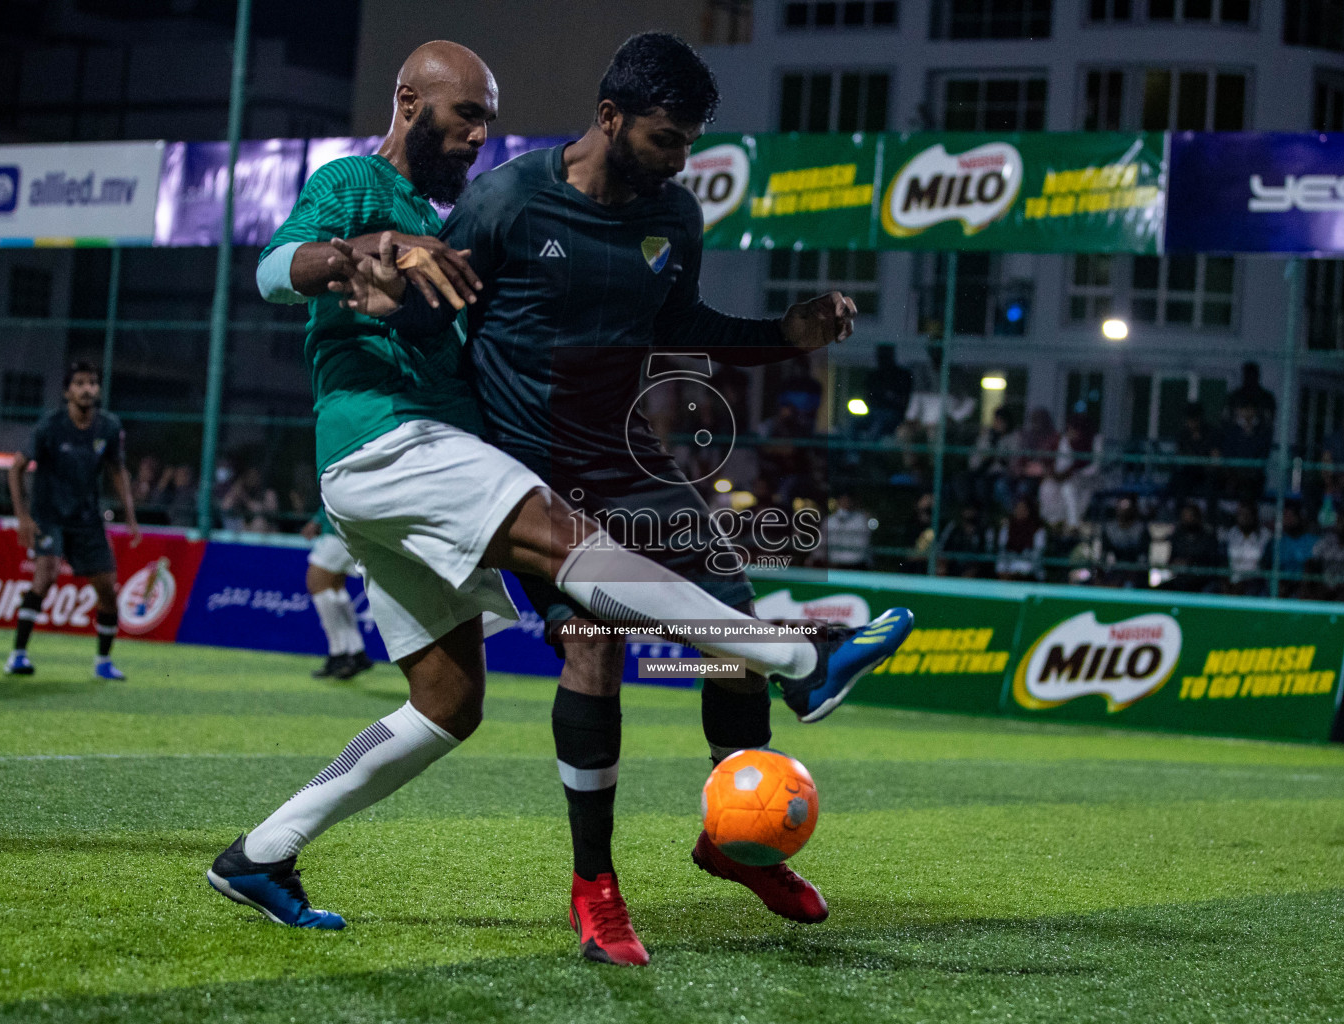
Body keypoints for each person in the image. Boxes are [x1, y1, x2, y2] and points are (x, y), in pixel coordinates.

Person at [216, 39, 913, 959]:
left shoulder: (453, 214)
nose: (478, 137)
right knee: (573, 555)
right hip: (390, 439)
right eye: (465, 116)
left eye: (487, 123)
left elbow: (466, 319)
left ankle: (261, 854)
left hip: (436, 456)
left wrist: (779, 338)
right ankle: (803, 658)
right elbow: (272, 268)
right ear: (408, 101)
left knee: (448, 701)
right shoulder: (358, 184)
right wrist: (355, 255)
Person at [4, 362, 140, 679]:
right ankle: (17, 655)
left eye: (92, 383)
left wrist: (131, 516)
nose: (86, 389)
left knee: (107, 589)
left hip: (87, 519)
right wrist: (22, 517)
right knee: (46, 575)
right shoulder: (50, 427)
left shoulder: (108, 427)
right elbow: (15, 469)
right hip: (48, 515)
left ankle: (103, 663)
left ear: (98, 390)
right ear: (67, 392)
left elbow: (117, 471)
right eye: (79, 383)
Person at [301, 508, 371, 680]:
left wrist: (318, 518)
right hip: (353, 532)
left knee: (318, 584)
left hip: (337, 531)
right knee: (336, 588)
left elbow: (333, 485)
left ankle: (338, 654)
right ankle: (356, 652)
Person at [1039, 412, 1102, 531]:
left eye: (1075, 429)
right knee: (1047, 487)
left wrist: (1072, 472)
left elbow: (1093, 468)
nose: (1073, 432)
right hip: (1063, 477)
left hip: (1086, 480)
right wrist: (1053, 473)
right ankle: (1051, 522)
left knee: (1068, 488)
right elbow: (1056, 462)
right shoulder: (1063, 439)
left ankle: (1073, 524)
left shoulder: (1095, 440)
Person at [1214, 398, 1271, 504]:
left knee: (1249, 486)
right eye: (1243, 409)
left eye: (1249, 408)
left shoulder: (1262, 430)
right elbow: (1228, 451)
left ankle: (1247, 515)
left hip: (1253, 474)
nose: (1246, 412)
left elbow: (1263, 453)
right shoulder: (1231, 429)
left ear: (1254, 410)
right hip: (1233, 473)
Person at [968, 407, 1020, 511]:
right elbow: (974, 461)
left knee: (994, 485)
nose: (998, 424)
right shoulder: (986, 436)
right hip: (983, 472)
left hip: (1002, 475)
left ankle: (994, 514)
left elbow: (1014, 462)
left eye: (1001, 421)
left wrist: (999, 455)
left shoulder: (1014, 437)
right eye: (996, 421)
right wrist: (984, 459)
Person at [1166, 402, 1214, 508]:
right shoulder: (1183, 435)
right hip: (1188, 472)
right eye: (1189, 419)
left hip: (1206, 473)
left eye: (1195, 418)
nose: (1192, 422)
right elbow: (1180, 455)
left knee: (1212, 486)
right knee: (1177, 482)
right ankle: (1175, 516)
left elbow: (1214, 457)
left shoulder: (1211, 433)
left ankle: (1211, 520)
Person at [1164, 502, 1220, 592]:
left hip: (1202, 580)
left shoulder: (1208, 537)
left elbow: (1211, 563)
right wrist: (1175, 563)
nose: (1187, 519)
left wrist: (1189, 563)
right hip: (1179, 579)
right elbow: (1170, 560)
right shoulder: (1177, 536)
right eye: (1185, 516)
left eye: (1190, 516)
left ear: (1197, 517)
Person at [862, 344, 912, 440]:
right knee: (853, 421)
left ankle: (868, 451)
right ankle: (851, 453)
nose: (882, 359)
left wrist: (890, 397)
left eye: (885, 356)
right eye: (880, 356)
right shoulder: (874, 376)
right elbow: (868, 397)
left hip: (892, 414)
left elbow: (903, 401)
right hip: (873, 411)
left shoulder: (901, 375)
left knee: (878, 423)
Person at [1219, 502, 1271, 596]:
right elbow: (1224, 561)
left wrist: (1244, 582)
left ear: (1254, 516)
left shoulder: (1265, 535)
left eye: (1248, 514)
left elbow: (1265, 564)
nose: (1245, 518)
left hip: (1255, 582)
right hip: (1232, 581)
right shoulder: (1230, 534)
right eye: (1241, 514)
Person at [1099, 497, 1148, 587]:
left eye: (1127, 509)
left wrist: (1135, 573)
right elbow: (1104, 556)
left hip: (1136, 572)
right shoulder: (1110, 529)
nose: (1123, 512)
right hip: (1115, 569)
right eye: (1120, 508)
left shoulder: (1141, 530)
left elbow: (1144, 558)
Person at [1273, 501, 1319, 596]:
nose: (1287, 520)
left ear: (1300, 517)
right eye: (1285, 516)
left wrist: (1305, 585)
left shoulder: (1312, 540)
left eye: (1291, 516)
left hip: (1305, 585)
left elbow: (1312, 565)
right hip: (1283, 583)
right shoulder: (1278, 542)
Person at [937, 502, 994, 577]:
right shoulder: (953, 527)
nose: (969, 512)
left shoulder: (985, 530)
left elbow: (988, 556)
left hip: (977, 570)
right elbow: (942, 548)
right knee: (940, 568)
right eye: (967, 509)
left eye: (972, 509)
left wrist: (974, 570)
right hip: (953, 567)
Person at [996, 497, 1045, 580]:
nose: (1020, 511)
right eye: (1018, 508)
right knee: (1001, 567)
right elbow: (1002, 549)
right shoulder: (1007, 527)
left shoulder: (1038, 529)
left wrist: (1022, 562)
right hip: (1010, 561)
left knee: (1024, 568)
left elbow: (1038, 553)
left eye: (1023, 509)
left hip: (1029, 563)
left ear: (1029, 511)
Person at [820, 492, 873, 568]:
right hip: (835, 563)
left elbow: (866, 542)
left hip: (858, 563)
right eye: (843, 500)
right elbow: (822, 542)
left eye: (847, 500)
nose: (845, 503)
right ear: (838, 501)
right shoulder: (829, 521)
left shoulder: (862, 519)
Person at [1226, 361, 1275, 428]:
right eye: (1248, 375)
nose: (1250, 378)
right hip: (1236, 435)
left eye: (1252, 375)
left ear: (1257, 376)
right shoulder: (1234, 397)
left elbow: (1269, 420)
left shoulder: (1266, 398)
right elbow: (1228, 418)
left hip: (1260, 435)